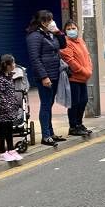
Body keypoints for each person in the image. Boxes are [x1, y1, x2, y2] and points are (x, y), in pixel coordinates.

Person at [26, 10, 66, 146]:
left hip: (55, 73)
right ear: (42, 22)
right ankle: (46, 135)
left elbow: (63, 45)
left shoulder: (50, 34)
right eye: (49, 20)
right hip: (45, 76)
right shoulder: (34, 36)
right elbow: (35, 59)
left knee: (49, 104)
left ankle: (51, 132)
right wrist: (44, 77)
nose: (51, 22)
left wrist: (58, 32)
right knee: (45, 104)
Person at [59, 20, 93, 136]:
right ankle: (73, 126)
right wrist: (84, 71)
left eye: (73, 28)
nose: (71, 31)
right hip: (74, 77)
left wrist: (89, 69)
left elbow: (87, 57)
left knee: (83, 101)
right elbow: (70, 61)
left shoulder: (81, 41)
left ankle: (79, 123)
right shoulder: (65, 43)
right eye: (68, 29)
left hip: (83, 77)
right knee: (75, 103)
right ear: (64, 31)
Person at [0, 55, 23, 162]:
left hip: (10, 109)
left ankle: (11, 149)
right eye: (13, 63)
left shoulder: (8, 76)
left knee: (9, 130)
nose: (14, 65)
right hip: (2, 110)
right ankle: (2, 152)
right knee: (2, 131)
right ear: (6, 65)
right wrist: (7, 106)